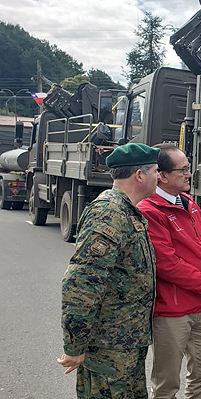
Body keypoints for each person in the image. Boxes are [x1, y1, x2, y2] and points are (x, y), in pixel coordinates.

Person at [58, 143, 160, 398]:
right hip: (107, 348)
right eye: (156, 171)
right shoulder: (109, 212)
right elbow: (82, 283)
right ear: (139, 174)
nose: (159, 177)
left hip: (127, 343)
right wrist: (75, 344)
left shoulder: (127, 211)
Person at [137, 144, 201, 399]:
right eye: (183, 169)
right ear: (162, 175)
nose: (189, 174)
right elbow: (167, 264)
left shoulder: (189, 203)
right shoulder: (150, 210)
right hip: (172, 313)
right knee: (166, 383)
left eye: (189, 168)